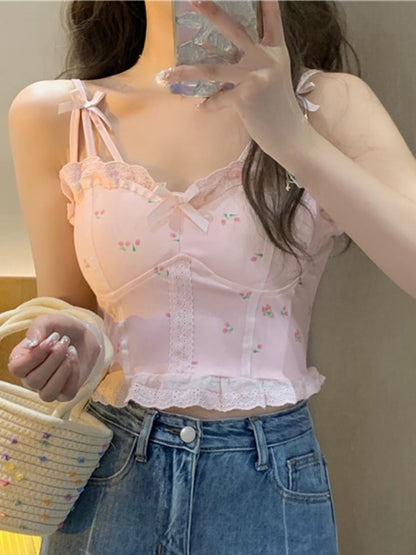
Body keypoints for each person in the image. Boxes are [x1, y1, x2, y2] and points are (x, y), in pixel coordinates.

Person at [6, 1, 416, 553]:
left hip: (267, 485)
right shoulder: (61, 114)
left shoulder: (329, 104)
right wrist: (71, 344)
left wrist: (294, 139)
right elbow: (72, 309)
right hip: (110, 475)